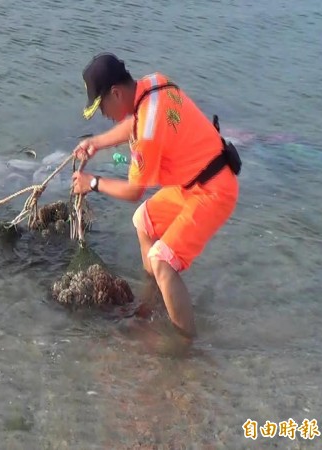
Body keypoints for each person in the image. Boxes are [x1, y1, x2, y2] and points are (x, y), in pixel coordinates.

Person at [71, 53, 241, 340]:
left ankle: (185, 346)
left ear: (116, 92)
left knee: (163, 260)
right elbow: (137, 121)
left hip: (213, 191)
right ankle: (154, 299)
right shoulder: (153, 83)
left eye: (102, 107)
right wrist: (96, 143)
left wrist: (93, 183)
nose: (104, 116)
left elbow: (133, 191)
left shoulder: (146, 134)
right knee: (144, 221)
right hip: (194, 180)